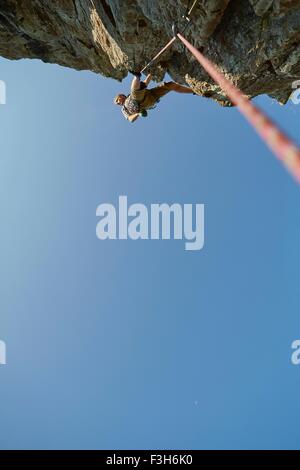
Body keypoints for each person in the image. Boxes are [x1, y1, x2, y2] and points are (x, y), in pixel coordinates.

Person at [114, 71, 195, 122]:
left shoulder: (131, 94)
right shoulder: (124, 108)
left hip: (151, 95)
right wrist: (138, 114)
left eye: (117, 100)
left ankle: (195, 91)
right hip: (141, 103)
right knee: (135, 92)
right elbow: (130, 119)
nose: (118, 103)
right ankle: (137, 76)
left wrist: (152, 73)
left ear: (121, 95)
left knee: (170, 85)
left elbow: (145, 83)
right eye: (117, 103)